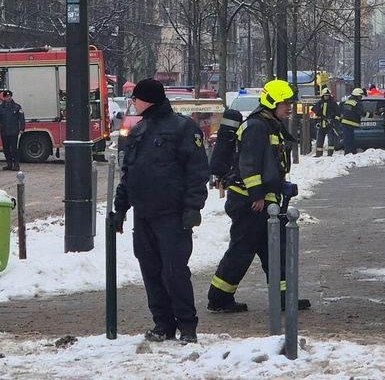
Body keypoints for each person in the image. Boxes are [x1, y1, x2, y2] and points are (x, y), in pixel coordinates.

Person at [113, 78, 209, 344]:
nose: (132, 102)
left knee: (174, 271)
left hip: (172, 215)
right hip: (143, 215)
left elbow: (197, 172)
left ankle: (187, 326)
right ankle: (163, 325)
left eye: (136, 98)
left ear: (149, 99)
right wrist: (120, 209)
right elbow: (129, 174)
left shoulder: (182, 128)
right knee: (151, 271)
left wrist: (193, 207)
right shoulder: (139, 130)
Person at [207, 79, 311, 315]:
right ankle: (219, 297)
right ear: (272, 102)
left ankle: (284, 296)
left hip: (264, 200)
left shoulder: (269, 125)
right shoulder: (257, 127)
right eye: (285, 103)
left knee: (275, 248)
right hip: (250, 202)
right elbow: (249, 164)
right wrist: (258, 194)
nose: (289, 108)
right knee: (242, 251)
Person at [0, 90, 26, 171]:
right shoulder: (0, 108)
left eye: (9, 96)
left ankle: (16, 165)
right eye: (6, 97)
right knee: (6, 149)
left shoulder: (17, 107)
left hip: (14, 131)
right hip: (4, 131)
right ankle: (9, 164)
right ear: (4, 98)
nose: (8, 98)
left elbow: (21, 119)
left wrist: (22, 128)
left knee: (14, 148)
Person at [311, 87, 341, 157]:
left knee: (331, 139)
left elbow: (338, 114)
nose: (326, 97)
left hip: (330, 124)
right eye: (325, 95)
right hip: (322, 123)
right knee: (320, 139)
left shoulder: (333, 104)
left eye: (327, 95)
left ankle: (330, 154)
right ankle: (318, 154)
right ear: (322, 96)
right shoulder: (319, 103)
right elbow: (316, 112)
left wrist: (334, 121)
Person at [339, 88, 364, 154]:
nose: (361, 97)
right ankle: (350, 152)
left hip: (344, 122)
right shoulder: (358, 103)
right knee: (350, 139)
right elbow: (361, 112)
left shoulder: (347, 101)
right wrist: (371, 115)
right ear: (357, 95)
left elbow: (341, 109)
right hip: (352, 123)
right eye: (360, 96)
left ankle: (348, 152)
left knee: (347, 139)